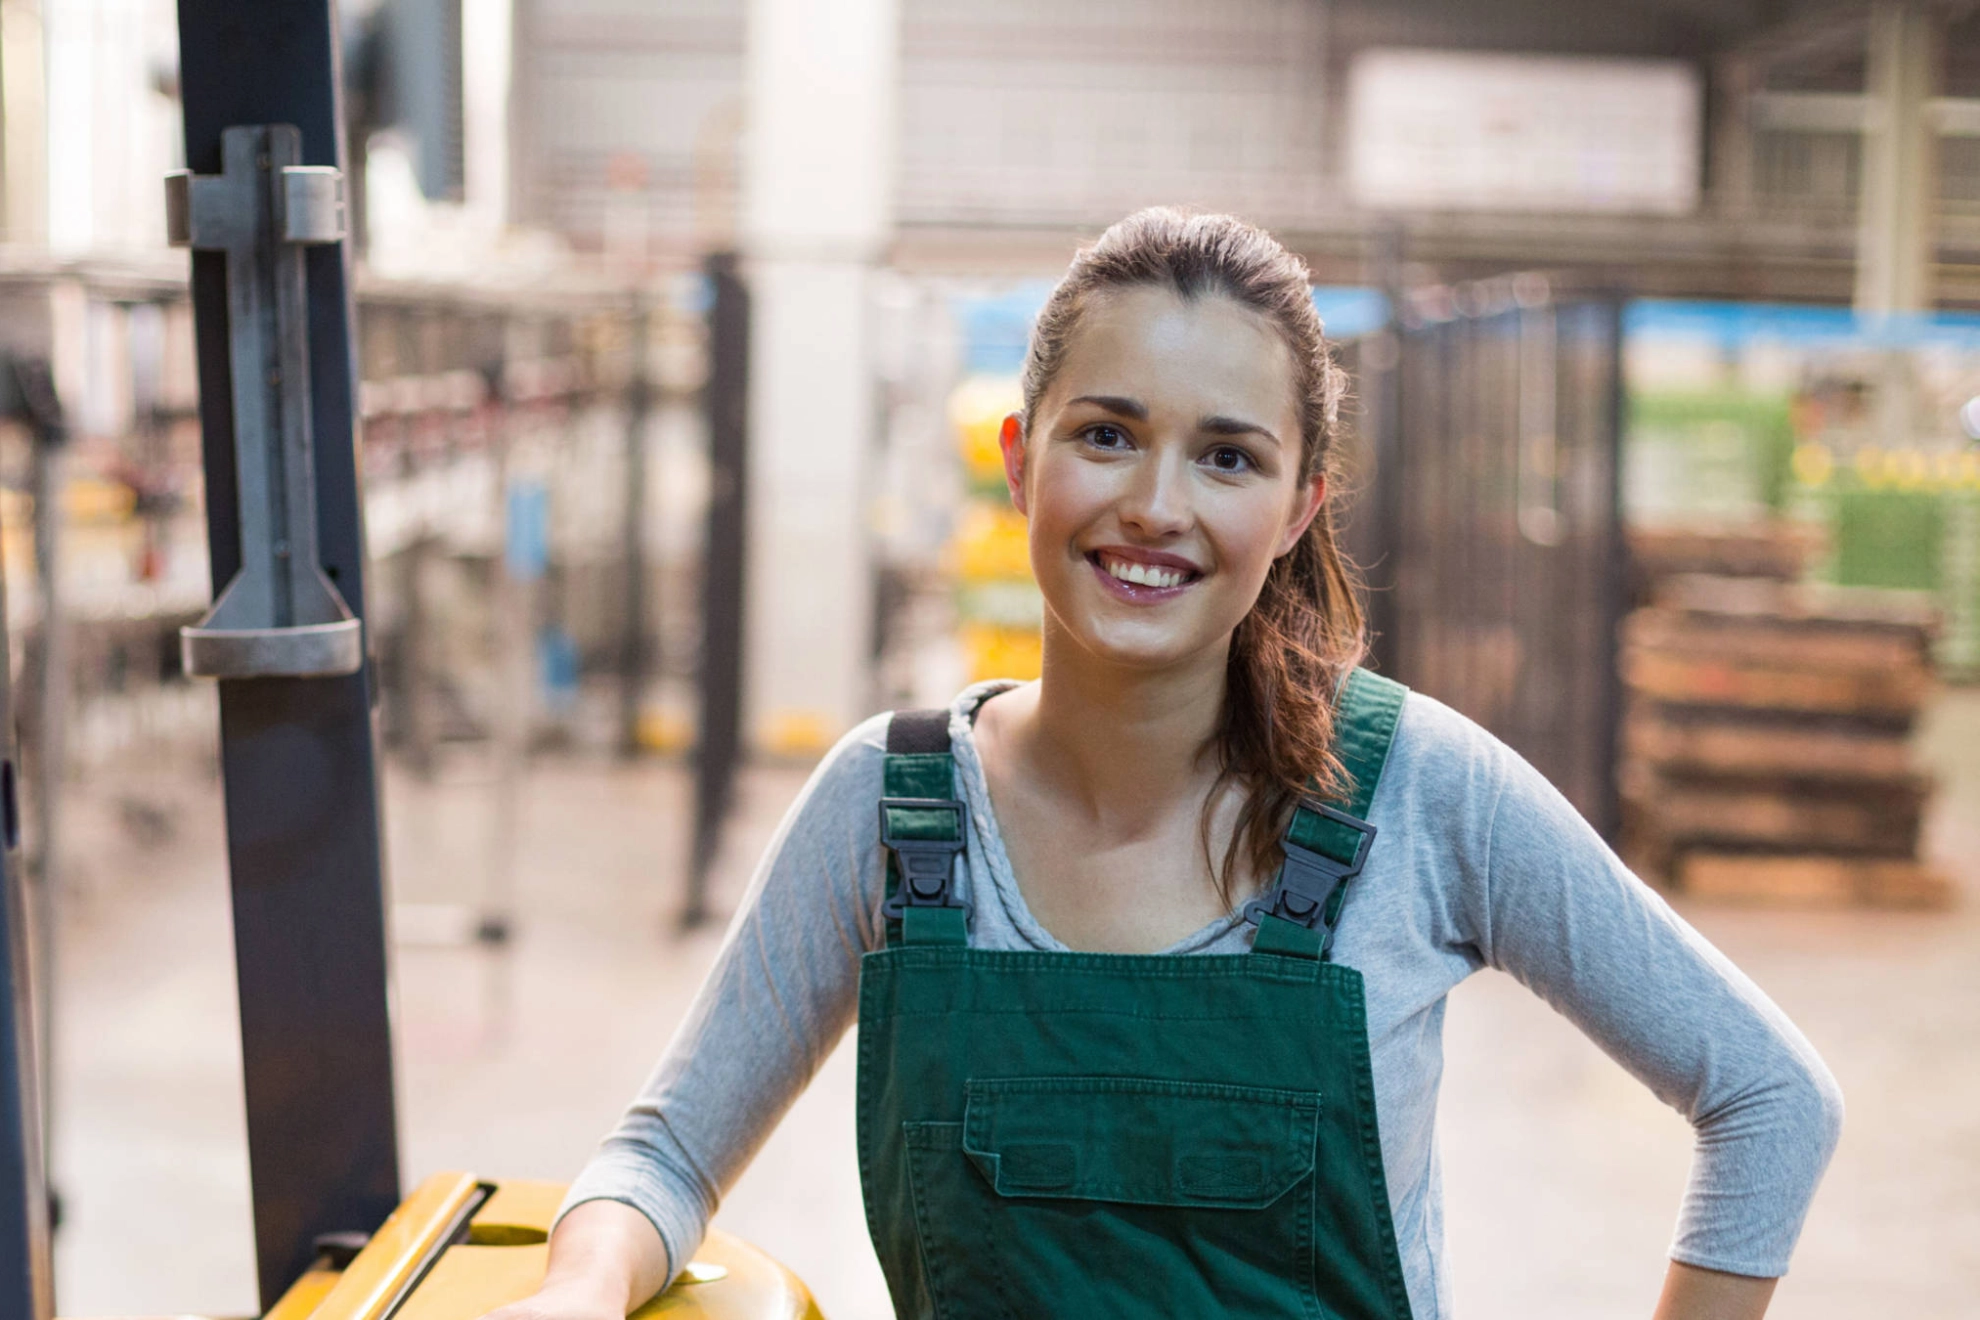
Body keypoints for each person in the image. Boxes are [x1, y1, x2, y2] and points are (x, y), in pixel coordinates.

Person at [488, 209, 1842, 1320]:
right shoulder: (894, 811)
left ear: (1299, 505)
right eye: (1107, 434)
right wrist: (578, 1291)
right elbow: (664, 1155)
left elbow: (1770, 1101)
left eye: (1227, 457)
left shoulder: (1418, 795)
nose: (1154, 506)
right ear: (1020, 462)